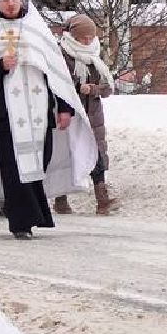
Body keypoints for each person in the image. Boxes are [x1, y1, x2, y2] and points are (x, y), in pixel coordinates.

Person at [0, 0, 95, 239]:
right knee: (13, 167)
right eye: (5, 0)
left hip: (39, 114)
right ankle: (21, 223)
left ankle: (36, 214)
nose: (10, 4)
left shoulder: (36, 30)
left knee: (37, 164)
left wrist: (64, 108)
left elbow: (57, 74)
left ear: (21, 0)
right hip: (4, 115)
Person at [53, 13, 120, 216]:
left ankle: (102, 198)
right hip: (70, 112)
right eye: (84, 37)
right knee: (67, 154)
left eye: (91, 37)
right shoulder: (61, 54)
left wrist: (93, 89)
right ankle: (60, 198)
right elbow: (57, 82)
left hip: (92, 114)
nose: (88, 41)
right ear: (74, 36)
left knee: (96, 153)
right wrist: (77, 87)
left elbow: (107, 87)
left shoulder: (94, 54)